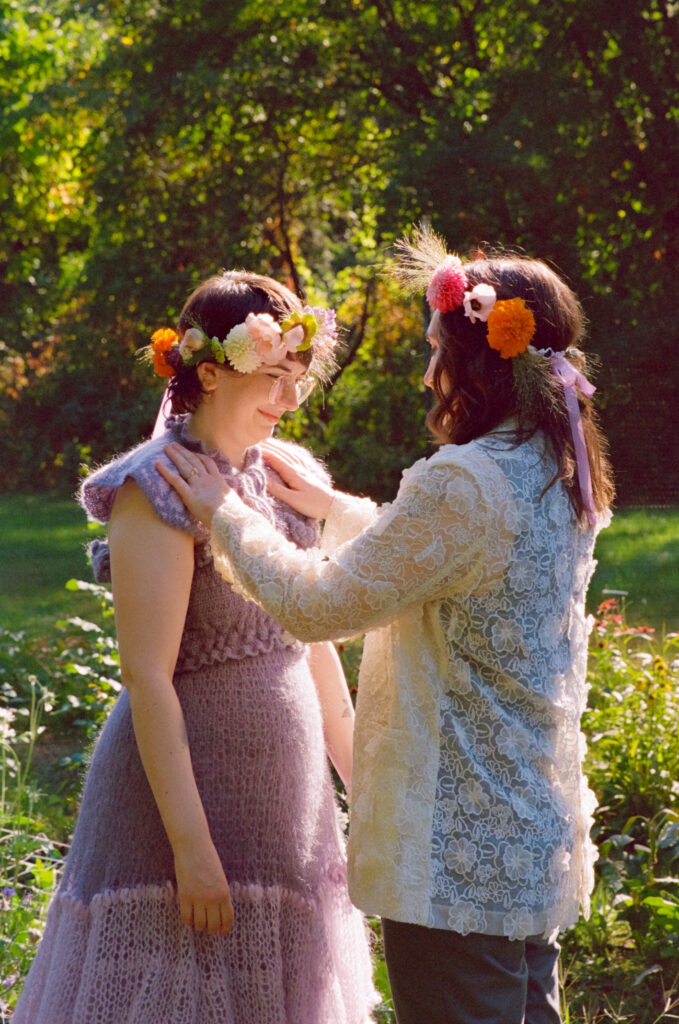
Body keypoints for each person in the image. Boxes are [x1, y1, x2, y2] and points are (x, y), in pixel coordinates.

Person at [157, 229, 615, 1024]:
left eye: (437, 348)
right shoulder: (555, 466)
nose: (427, 371)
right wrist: (336, 511)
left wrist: (223, 514)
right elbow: (458, 570)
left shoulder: (464, 482)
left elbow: (317, 607)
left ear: (476, 360)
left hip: (456, 857)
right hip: (526, 841)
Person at [14, 270, 378, 1024]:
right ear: (209, 372)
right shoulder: (156, 489)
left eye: (298, 378)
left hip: (285, 811)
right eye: (272, 377)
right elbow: (148, 678)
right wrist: (191, 847)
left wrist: (366, 790)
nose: (288, 398)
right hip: (179, 818)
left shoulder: (287, 478)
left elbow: (314, 644)